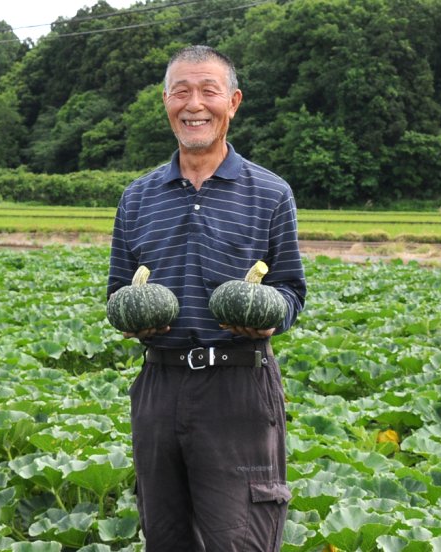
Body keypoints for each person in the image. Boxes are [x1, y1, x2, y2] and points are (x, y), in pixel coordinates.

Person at [107, 45, 307, 551]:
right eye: (181, 92)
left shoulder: (270, 192)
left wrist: (269, 317)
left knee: (238, 540)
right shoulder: (137, 196)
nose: (194, 104)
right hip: (160, 382)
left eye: (208, 91)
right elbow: (118, 291)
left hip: (237, 385)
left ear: (233, 102)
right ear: (166, 102)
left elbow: (290, 291)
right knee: (166, 537)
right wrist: (132, 319)